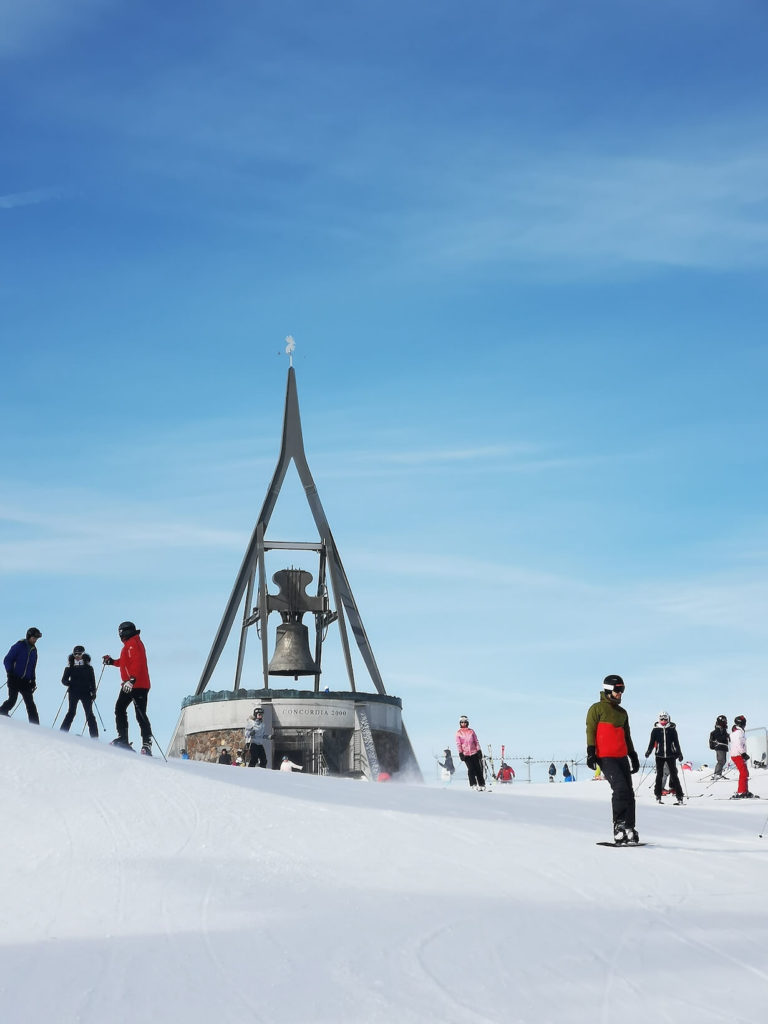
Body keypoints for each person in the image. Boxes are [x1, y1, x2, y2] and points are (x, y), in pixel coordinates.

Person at [586, 674, 640, 845]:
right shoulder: (596, 709)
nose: (620, 694)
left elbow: (627, 736)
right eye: (618, 690)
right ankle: (619, 826)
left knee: (630, 793)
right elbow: (590, 730)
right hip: (606, 757)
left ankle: (630, 828)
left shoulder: (623, 713)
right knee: (620, 789)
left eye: (622, 690)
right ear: (609, 690)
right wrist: (590, 752)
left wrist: (633, 755)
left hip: (621, 756)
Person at [103, 621, 154, 755]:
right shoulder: (128, 645)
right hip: (129, 684)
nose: (120, 635)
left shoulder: (135, 644)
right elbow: (125, 662)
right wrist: (112, 662)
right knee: (120, 708)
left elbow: (138, 663)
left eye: (122, 632)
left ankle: (147, 743)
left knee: (140, 713)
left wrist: (132, 679)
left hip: (138, 685)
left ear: (127, 631)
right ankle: (123, 738)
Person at [1, 627, 42, 723]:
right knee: (12, 700)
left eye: (36, 638)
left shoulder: (34, 650)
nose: (35, 640)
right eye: (33, 638)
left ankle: (35, 725)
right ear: (28, 636)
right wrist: (10, 673)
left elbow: (32, 667)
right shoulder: (19, 646)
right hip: (14, 678)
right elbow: (7, 659)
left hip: (25, 681)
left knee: (30, 704)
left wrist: (33, 680)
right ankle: (2, 712)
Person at [644, 712, 684, 804]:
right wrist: (648, 751)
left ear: (668, 719)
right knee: (659, 776)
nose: (663, 721)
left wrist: (679, 753)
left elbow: (676, 743)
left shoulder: (672, 730)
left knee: (674, 776)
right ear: (659, 719)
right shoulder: (655, 730)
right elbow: (651, 743)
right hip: (659, 756)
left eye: (665, 719)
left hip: (671, 756)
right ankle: (658, 796)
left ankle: (680, 797)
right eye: (661, 719)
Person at [60, 645, 98, 738]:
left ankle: (95, 737)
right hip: (73, 692)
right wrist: (69, 683)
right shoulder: (70, 667)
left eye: (79, 654)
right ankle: (62, 733)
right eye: (75, 654)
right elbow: (64, 680)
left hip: (86, 693)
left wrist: (93, 692)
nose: (77, 656)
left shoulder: (89, 668)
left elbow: (92, 681)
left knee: (89, 714)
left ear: (83, 654)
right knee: (71, 712)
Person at [455, 715, 485, 790]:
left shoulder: (471, 731)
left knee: (478, 768)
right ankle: (473, 784)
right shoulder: (458, 733)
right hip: (466, 755)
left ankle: (481, 784)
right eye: (462, 722)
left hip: (474, 752)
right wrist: (460, 753)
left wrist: (479, 750)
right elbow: (458, 744)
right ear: (460, 723)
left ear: (467, 722)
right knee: (471, 769)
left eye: (465, 722)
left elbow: (476, 741)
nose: (463, 723)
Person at [729, 714, 753, 798]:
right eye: (744, 723)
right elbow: (737, 744)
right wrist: (743, 753)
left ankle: (745, 791)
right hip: (737, 755)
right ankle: (741, 791)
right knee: (743, 772)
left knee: (745, 772)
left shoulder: (739, 732)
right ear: (741, 723)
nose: (745, 724)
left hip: (738, 754)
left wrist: (743, 754)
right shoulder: (738, 733)